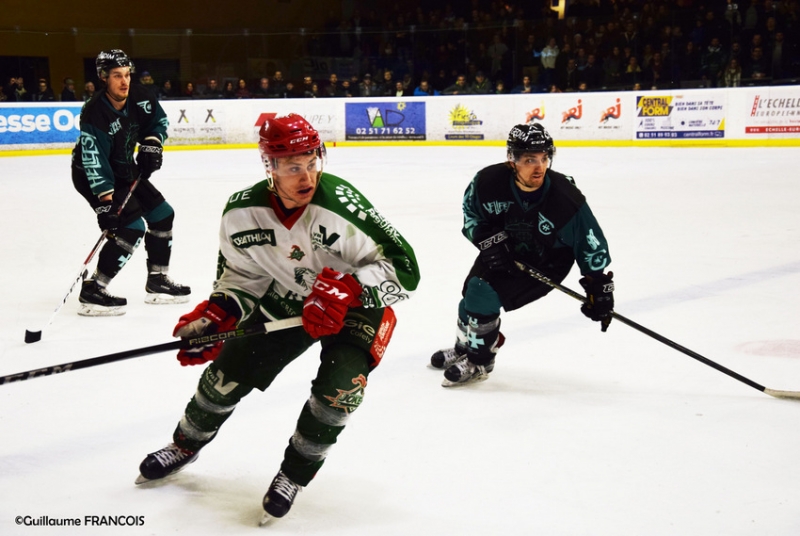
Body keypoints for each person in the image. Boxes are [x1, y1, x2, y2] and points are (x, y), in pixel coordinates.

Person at [135, 114, 420, 522]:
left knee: (339, 393)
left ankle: (294, 473)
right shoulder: (242, 213)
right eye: (292, 167)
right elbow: (243, 275)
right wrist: (221, 313)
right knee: (223, 377)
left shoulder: (341, 204)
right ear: (269, 166)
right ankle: (185, 444)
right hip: (289, 300)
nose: (306, 177)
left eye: (311, 163)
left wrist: (351, 288)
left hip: (357, 307)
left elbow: (405, 270)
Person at [430, 123, 613, 386]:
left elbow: (589, 239)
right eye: (530, 160)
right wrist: (487, 239)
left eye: (544, 158)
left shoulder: (564, 197)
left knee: (482, 296)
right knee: (469, 296)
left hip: (547, 260)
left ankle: (481, 360)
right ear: (512, 160)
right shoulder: (488, 182)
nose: (539, 167)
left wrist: (599, 285)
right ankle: (465, 348)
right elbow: (471, 214)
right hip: (503, 249)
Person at [71, 49, 190, 316]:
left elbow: (157, 122)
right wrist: (105, 203)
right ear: (103, 77)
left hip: (125, 168)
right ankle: (95, 288)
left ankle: (157, 280)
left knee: (162, 215)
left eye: (127, 75)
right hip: (94, 175)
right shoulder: (94, 113)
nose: (125, 82)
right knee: (131, 228)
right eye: (117, 76)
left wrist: (152, 144)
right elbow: (94, 161)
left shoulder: (141, 96)